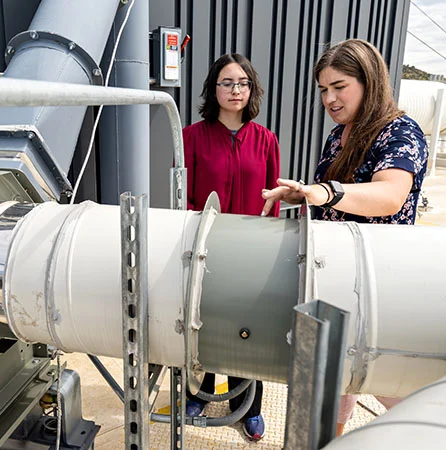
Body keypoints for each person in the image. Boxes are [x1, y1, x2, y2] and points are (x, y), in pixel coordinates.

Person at [260, 39, 428, 435]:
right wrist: (305, 192)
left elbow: (389, 196)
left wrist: (328, 191)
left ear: (368, 82)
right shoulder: (339, 136)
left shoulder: (400, 132)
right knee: (332, 377)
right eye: (323, 89)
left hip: (376, 278)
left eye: (339, 86)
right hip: (336, 273)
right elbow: (332, 194)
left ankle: (434, 430)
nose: (329, 98)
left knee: (386, 378)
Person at [183, 53, 280, 441]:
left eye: (242, 83)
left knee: (250, 329)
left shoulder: (266, 139)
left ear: (251, 89)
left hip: (252, 251)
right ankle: (202, 394)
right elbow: (186, 197)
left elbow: (272, 199)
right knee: (204, 323)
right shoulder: (193, 136)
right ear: (213, 88)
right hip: (207, 248)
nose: (235, 90)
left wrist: (267, 249)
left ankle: (249, 407)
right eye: (227, 82)